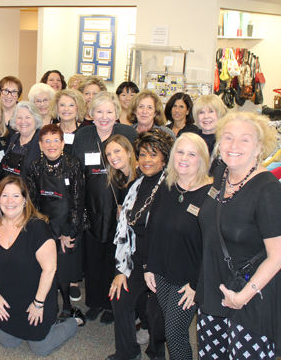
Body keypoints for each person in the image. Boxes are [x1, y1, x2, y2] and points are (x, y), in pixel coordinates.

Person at [195, 112, 281, 359]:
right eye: (228, 138)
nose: (234, 146)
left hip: (250, 300)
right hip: (213, 293)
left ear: (260, 146)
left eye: (245, 140)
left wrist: (242, 296)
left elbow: (279, 255)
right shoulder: (222, 173)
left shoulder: (269, 190)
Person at [0, 176, 84, 357]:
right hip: (8, 300)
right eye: (4, 195)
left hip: (37, 298)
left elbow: (50, 269)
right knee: (7, 342)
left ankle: (73, 320)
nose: (9, 201)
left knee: (41, 349)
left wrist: (38, 303)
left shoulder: (37, 228)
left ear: (24, 200)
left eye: (15, 196)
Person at [144, 133, 212, 360]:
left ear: (202, 159)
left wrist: (197, 284)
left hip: (188, 281)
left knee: (175, 334)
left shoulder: (211, 195)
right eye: (180, 152)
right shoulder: (167, 186)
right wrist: (149, 266)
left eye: (191, 154)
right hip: (162, 272)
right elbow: (152, 228)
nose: (184, 158)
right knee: (170, 329)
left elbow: (212, 247)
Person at [107, 129, 174, 360]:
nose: (147, 160)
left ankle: (156, 354)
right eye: (143, 155)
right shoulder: (136, 185)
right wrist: (120, 270)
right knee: (119, 298)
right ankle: (126, 352)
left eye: (153, 155)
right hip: (137, 260)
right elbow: (125, 230)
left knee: (156, 312)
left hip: (162, 263)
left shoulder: (171, 187)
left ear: (164, 157)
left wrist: (152, 267)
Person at [71, 93, 137, 323]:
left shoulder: (128, 134)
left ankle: (112, 304)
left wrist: (125, 203)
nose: (104, 117)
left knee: (114, 255)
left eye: (109, 112)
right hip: (91, 205)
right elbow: (76, 170)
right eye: (99, 112)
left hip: (119, 205)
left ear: (117, 114)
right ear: (91, 113)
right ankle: (96, 301)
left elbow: (133, 169)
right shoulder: (83, 135)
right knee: (93, 256)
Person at [26, 125, 85, 322]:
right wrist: (42, 230)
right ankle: (48, 302)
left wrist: (68, 231)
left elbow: (78, 201)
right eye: (47, 141)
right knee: (44, 267)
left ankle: (67, 305)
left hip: (67, 224)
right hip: (44, 224)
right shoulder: (34, 166)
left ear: (62, 143)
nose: (52, 145)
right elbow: (32, 201)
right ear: (41, 145)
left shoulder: (73, 164)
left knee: (63, 270)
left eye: (55, 140)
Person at [0, 101, 42, 179]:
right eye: (19, 117)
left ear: (36, 119)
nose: (23, 121)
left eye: (28, 117)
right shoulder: (14, 138)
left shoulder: (41, 140)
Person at [49, 89, 86, 153]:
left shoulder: (85, 132)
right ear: (56, 108)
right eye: (62, 105)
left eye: (71, 105)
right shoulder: (49, 130)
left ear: (78, 108)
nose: (66, 109)